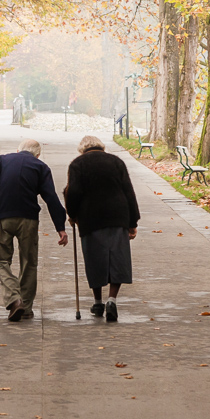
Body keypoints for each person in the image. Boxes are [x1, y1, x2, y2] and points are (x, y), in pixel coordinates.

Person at [0, 139, 68, 322]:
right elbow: (51, 197)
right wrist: (60, 227)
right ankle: (25, 307)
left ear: (18, 150)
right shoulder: (41, 167)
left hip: (3, 216)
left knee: (2, 261)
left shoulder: (3, 160)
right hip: (28, 219)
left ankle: (14, 299)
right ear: (38, 155)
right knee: (29, 262)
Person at [63, 135, 139, 322]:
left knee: (94, 258)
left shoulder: (77, 164)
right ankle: (112, 300)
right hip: (117, 216)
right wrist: (133, 222)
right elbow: (128, 191)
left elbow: (73, 192)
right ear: (102, 147)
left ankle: (98, 302)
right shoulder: (116, 162)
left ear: (82, 149)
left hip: (91, 218)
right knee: (117, 258)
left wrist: (71, 214)